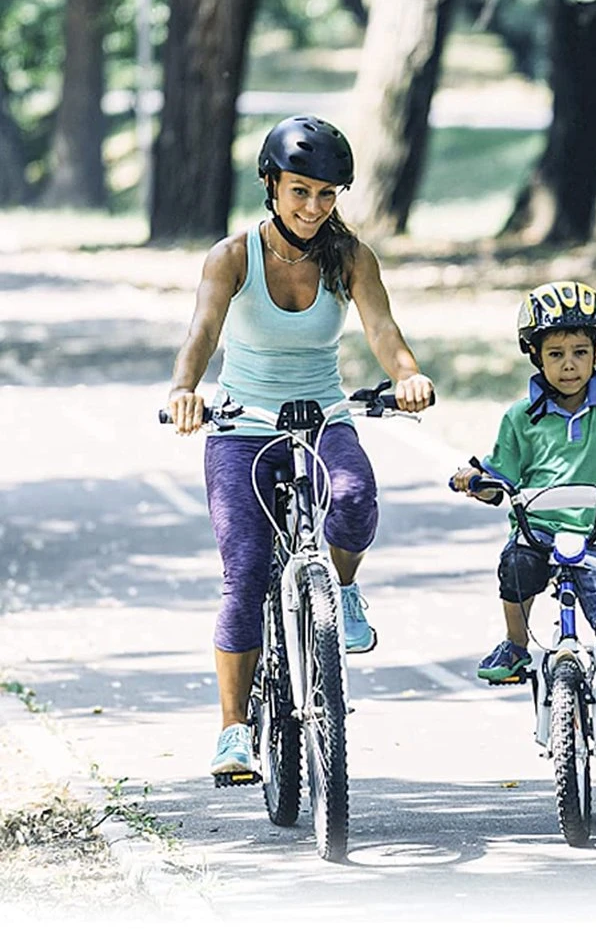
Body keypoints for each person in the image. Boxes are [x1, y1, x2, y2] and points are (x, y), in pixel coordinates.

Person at [166, 115, 435, 778]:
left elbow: (381, 327)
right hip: (242, 423)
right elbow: (203, 330)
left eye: (327, 194)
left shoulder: (349, 257)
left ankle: (340, 590)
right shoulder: (232, 257)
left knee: (355, 497)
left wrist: (406, 375)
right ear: (270, 185)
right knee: (247, 574)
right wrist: (184, 389)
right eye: (300, 191)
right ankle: (233, 730)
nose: (314, 207)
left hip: (323, 415)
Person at [449, 282, 596, 773]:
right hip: (539, 533)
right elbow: (498, 476)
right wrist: (475, 481)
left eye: (581, 351)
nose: (570, 364)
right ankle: (515, 645)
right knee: (515, 567)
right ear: (534, 356)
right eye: (555, 354)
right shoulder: (520, 418)